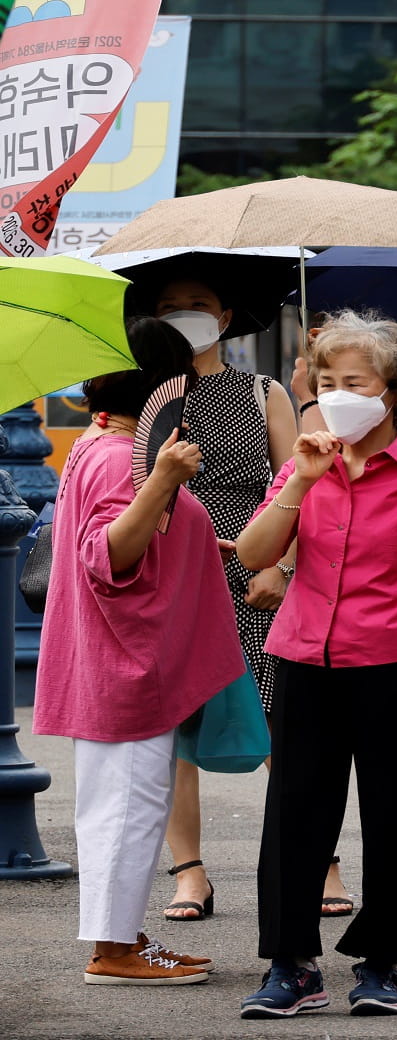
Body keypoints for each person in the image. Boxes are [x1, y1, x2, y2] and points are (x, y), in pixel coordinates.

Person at [237, 312, 397, 1018]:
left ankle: (381, 961)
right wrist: (301, 478)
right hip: (306, 658)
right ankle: (291, 965)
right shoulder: (306, 461)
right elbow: (256, 553)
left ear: (394, 391)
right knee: (295, 817)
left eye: (355, 381)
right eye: (325, 382)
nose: (336, 394)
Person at [37, 317, 234, 986]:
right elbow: (109, 554)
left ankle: (118, 936)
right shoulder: (127, 457)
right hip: (130, 663)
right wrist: (163, 479)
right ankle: (113, 951)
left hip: (107, 659)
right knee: (128, 807)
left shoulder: (99, 443)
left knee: (118, 808)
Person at [144, 280, 309, 925]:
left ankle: (315, 859)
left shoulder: (263, 392)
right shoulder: (149, 397)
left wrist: (284, 566)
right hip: (176, 573)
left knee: (279, 720)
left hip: (253, 568)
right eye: (168, 309)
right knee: (177, 727)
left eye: (197, 306)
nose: (183, 318)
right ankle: (190, 873)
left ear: (226, 318)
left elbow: (300, 484)